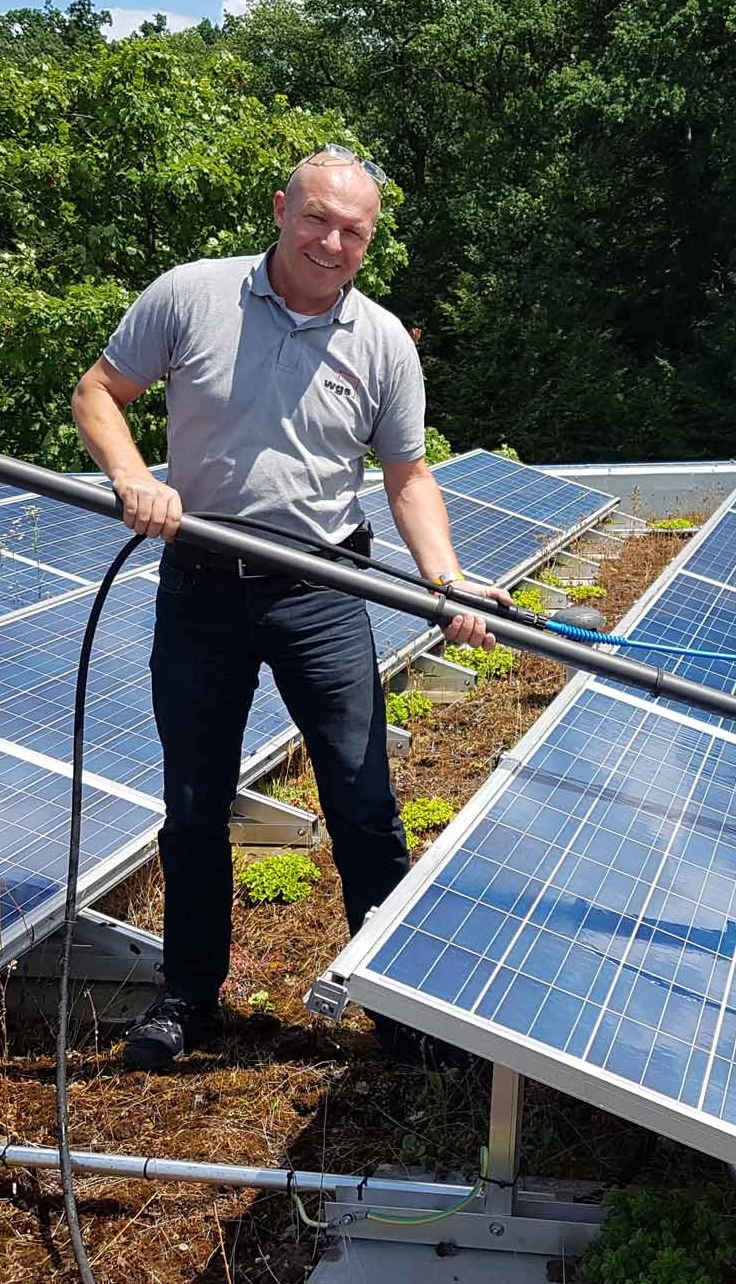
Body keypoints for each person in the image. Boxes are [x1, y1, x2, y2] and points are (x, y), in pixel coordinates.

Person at [70, 146, 509, 1071]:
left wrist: (447, 579)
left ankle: (397, 1005)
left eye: (354, 231)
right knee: (194, 805)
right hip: (200, 587)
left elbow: (408, 475)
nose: (332, 242)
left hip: (324, 591)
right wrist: (131, 478)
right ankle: (190, 994)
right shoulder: (192, 296)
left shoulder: (383, 340)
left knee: (362, 800)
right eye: (317, 219)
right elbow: (99, 394)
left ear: (370, 242)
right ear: (281, 209)